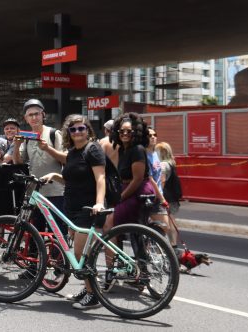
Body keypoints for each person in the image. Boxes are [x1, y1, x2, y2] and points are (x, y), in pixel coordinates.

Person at [41, 114, 106, 308]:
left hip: (89, 209)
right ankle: (88, 289)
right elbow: (70, 179)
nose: (78, 132)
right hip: (72, 208)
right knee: (79, 255)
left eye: (81, 128)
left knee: (79, 255)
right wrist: (54, 175)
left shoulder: (93, 149)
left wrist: (99, 203)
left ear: (88, 130)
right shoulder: (73, 153)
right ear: (69, 132)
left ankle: (93, 296)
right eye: (73, 129)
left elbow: (101, 178)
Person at [12, 99, 67, 235]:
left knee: (58, 233)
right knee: (36, 233)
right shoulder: (27, 137)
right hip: (35, 193)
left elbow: (66, 158)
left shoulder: (54, 134)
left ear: (43, 115)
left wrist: (48, 148)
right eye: (30, 115)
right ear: (26, 118)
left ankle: (58, 257)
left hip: (56, 191)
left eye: (37, 114)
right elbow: (19, 162)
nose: (34, 117)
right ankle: (38, 256)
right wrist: (17, 146)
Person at [103, 112, 155, 231]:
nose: (125, 134)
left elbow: (137, 179)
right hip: (127, 189)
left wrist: (121, 197)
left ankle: (114, 249)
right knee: (123, 229)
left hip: (137, 191)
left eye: (129, 131)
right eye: (121, 131)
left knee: (110, 224)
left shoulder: (137, 149)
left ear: (135, 132)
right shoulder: (122, 150)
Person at [146, 127, 171, 237]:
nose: (153, 137)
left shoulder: (155, 154)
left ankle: (150, 247)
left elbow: (159, 176)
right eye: (150, 135)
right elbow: (150, 179)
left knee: (163, 228)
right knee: (164, 226)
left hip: (158, 195)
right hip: (153, 197)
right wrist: (162, 198)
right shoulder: (145, 155)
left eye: (154, 135)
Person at [156, 141, 180, 247]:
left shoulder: (163, 164)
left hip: (166, 196)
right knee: (172, 219)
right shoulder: (172, 162)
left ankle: (166, 244)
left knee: (165, 220)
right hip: (173, 195)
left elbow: (162, 181)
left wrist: (158, 195)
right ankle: (173, 243)